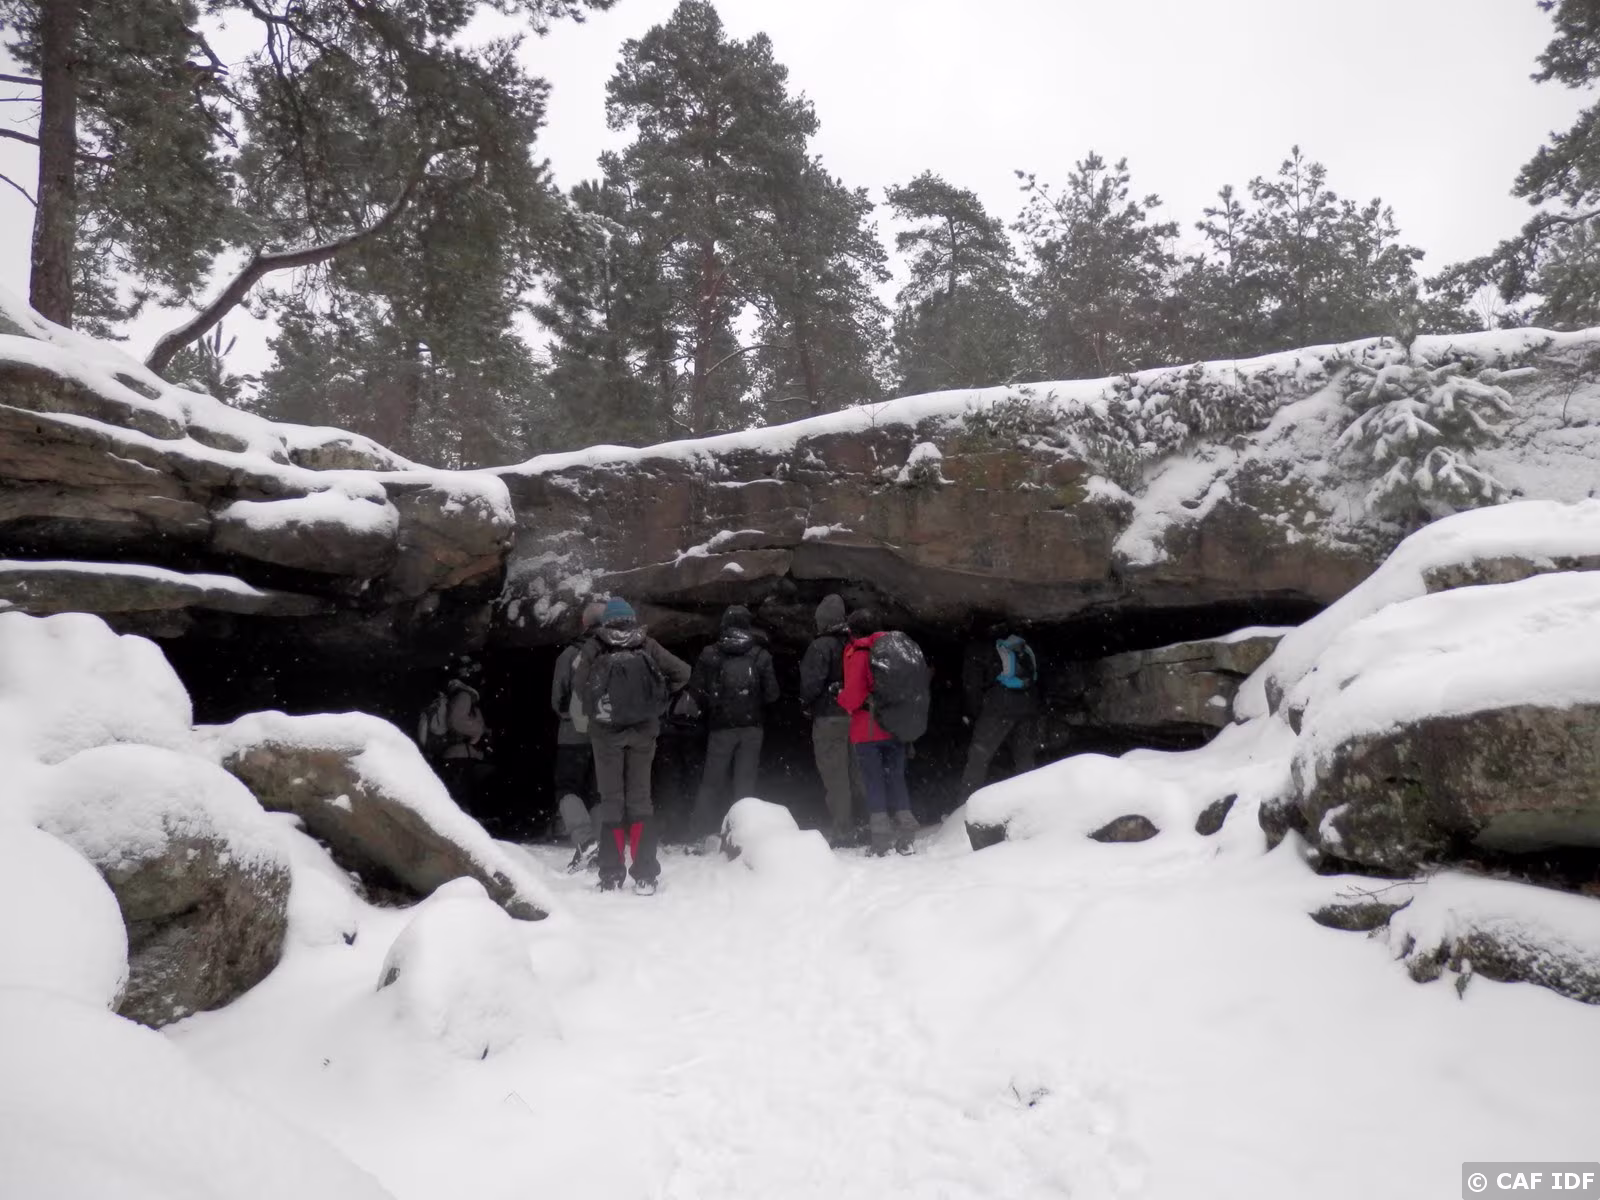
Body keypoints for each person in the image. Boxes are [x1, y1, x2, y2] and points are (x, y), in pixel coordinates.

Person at [573, 597, 691, 894]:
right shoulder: (646, 643)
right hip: (642, 733)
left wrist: (605, 707)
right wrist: (657, 698)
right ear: (632, 618)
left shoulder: (595, 646)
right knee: (640, 800)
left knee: (611, 802)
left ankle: (611, 875)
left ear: (606, 621)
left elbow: (580, 686)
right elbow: (683, 672)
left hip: (606, 734)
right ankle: (645, 875)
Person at [688, 605, 780, 842]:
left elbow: (696, 690)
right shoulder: (760, 655)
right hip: (752, 728)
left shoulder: (710, 654)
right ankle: (741, 835)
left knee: (711, 782)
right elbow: (773, 695)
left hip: (720, 728)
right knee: (745, 784)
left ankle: (700, 831)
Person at [836, 609, 922, 856]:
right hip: (896, 727)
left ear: (853, 631)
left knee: (874, 782)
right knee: (896, 778)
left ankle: (881, 841)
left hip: (868, 730)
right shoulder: (896, 650)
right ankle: (907, 835)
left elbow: (854, 697)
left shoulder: (860, 652)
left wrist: (839, 696)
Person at [799, 593, 864, 846]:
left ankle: (844, 829)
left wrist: (806, 705)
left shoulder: (820, 646)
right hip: (857, 716)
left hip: (830, 717)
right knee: (858, 772)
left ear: (822, 621)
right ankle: (867, 822)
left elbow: (811, 685)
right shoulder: (855, 642)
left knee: (835, 776)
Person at [551, 599, 607, 872]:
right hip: (606, 734)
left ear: (584, 624)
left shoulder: (569, 655)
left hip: (573, 734)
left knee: (568, 788)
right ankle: (599, 847)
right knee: (597, 792)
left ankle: (585, 841)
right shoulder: (617, 653)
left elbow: (557, 700)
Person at [960, 621, 1040, 796]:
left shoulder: (977, 647)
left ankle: (966, 804)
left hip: (999, 705)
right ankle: (1031, 799)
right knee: (1024, 757)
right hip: (1027, 702)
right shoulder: (1016, 644)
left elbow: (972, 685)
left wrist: (975, 713)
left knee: (978, 756)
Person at [417, 657, 491, 808]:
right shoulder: (464, 695)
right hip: (458, 758)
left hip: (452, 756)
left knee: (452, 797)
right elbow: (456, 721)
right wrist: (478, 733)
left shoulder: (454, 696)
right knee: (458, 797)